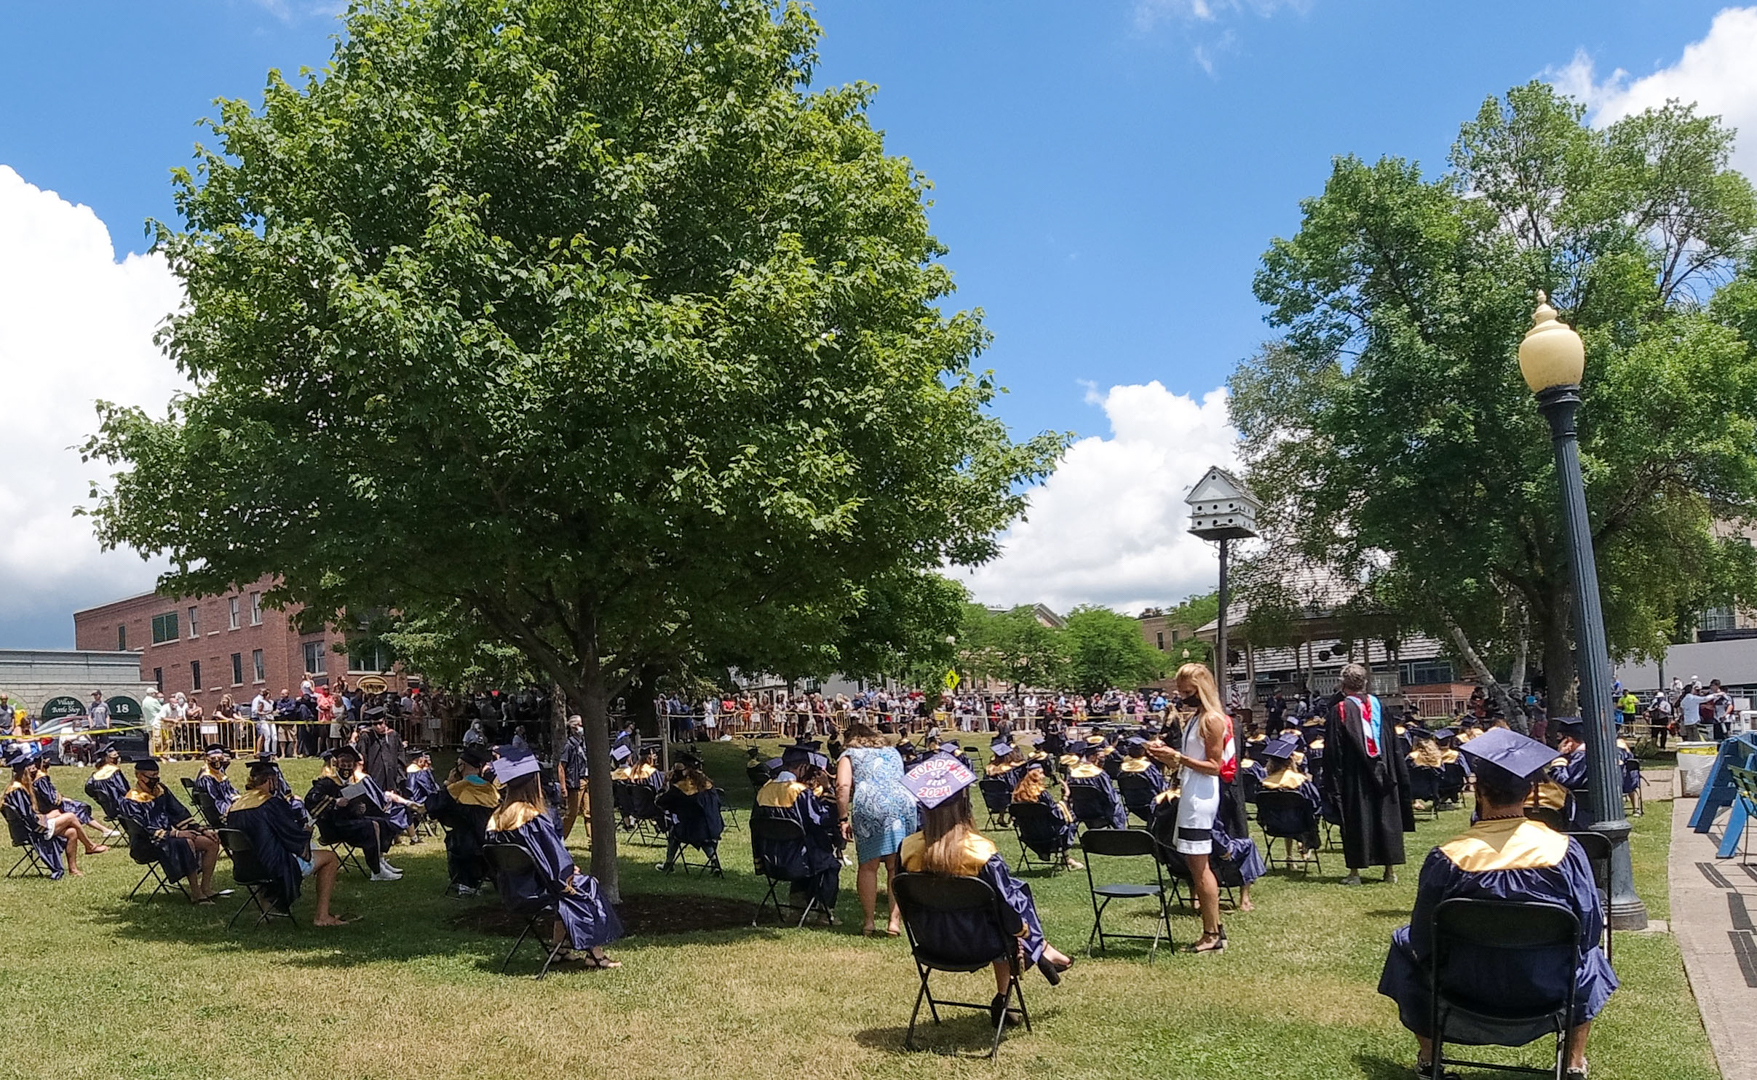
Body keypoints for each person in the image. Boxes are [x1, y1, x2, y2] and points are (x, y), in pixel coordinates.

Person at [1377, 726, 1616, 1080]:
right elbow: (1588, 928)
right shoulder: (1566, 851)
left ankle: (1430, 1060)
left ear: (1479, 790)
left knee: (1403, 943)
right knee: (1592, 955)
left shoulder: (1449, 857)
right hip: (1548, 985)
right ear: (1530, 790)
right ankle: (1573, 1063)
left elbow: (1424, 939)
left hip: (1464, 986)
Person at [898, 755, 1074, 1026]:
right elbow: (1010, 914)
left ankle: (1041, 954)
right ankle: (1022, 973)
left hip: (931, 943)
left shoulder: (909, 848)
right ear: (964, 804)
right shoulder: (980, 853)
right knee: (1011, 913)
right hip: (983, 945)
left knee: (1006, 907)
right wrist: (1025, 933)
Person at [485, 751, 622, 968]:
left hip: (513, 890)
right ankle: (595, 955)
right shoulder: (532, 818)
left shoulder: (496, 818)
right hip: (538, 891)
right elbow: (554, 861)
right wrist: (569, 871)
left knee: (570, 888)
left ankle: (561, 949)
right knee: (585, 886)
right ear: (534, 783)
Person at [1146, 662, 1240, 952]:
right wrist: (1166, 756)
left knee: (1200, 870)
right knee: (1195, 867)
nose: (1183, 696)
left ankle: (1211, 933)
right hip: (1190, 794)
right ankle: (1213, 929)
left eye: (1188, 691)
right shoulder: (1197, 717)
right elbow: (1187, 761)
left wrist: (1178, 756)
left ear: (1201, 690)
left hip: (1201, 799)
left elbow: (1214, 766)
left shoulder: (1212, 719)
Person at [226, 758, 355, 925]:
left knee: (259, 848)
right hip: (273, 868)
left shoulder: (235, 807)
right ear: (270, 780)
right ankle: (322, 916)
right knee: (330, 858)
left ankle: (267, 912)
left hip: (244, 868)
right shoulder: (270, 804)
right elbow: (291, 835)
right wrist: (306, 833)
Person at [1322, 663, 1414, 886]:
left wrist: (1333, 779)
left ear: (1343, 685)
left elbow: (1335, 750)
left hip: (1355, 777)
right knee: (1385, 817)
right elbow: (1392, 743)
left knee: (1356, 820)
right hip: (1384, 770)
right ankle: (1389, 871)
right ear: (1365, 683)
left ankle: (1355, 872)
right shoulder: (1380, 706)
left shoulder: (1340, 710)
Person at [834, 722, 917, 937]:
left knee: (869, 867)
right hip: (903, 805)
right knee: (895, 866)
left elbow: (842, 787)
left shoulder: (849, 754)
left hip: (872, 805)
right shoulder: (893, 752)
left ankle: (869, 922)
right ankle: (894, 922)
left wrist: (843, 818)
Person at [119, 758, 225, 903]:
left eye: (157, 775)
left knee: (211, 842)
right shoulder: (131, 800)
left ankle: (205, 887)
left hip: (169, 837)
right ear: (139, 775)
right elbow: (144, 829)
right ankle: (195, 892)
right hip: (147, 844)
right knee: (186, 842)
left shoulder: (161, 790)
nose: (155, 780)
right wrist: (176, 834)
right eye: (151, 777)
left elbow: (178, 812)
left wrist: (201, 829)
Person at [753, 763, 841, 920]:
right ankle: (823, 914)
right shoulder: (799, 793)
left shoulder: (763, 792)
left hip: (771, 862)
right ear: (801, 767)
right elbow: (823, 819)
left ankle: (796, 908)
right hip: (799, 863)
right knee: (829, 863)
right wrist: (827, 789)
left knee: (804, 851)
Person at [306, 747, 402, 881]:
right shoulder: (326, 782)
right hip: (333, 826)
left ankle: (380, 860)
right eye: (343, 765)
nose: (346, 769)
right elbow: (311, 800)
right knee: (371, 826)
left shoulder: (351, 783)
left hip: (347, 822)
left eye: (349, 766)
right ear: (336, 765)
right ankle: (376, 871)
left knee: (383, 822)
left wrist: (359, 808)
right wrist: (335, 802)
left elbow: (352, 809)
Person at [426, 744, 498, 895]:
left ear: (461, 766)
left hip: (465, 845)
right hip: (491, 843)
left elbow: (432, 807)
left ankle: (465, 882)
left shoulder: (457, 789)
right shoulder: (491, 790)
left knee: (458, 835)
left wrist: (447, 783)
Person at [5, 749, 76, 876]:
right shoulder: (17, 790)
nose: (33, 772)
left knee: (72, 832)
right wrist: (47, 817)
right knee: (70, 816)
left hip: (28, 829)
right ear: (24, 771)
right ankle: (90, 846)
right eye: (29, 770)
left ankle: (73, 869)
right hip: (30, 832)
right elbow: (28, 818)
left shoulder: (16, 787)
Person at [656, 753, 724, 874]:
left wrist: (665, 783)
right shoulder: (708, 785)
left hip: (693, 831)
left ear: (686, 770)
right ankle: (714, 861)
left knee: (675, 831)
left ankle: (668, 863)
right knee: (701, 831)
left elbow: (659, 802)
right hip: (715, 827)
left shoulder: (682, 788)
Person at [1010, 760, 1082, 869]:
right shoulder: (1041, 794)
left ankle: (1043, 851)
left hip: (1029, 835)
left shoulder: (1017, 795)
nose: (1044, 776)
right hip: (1050, 835)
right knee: (1071, 821)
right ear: (1035, 775)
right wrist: (1065, 797)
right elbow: (1057, 815)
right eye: (1041, 773)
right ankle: (1066, 859)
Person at [556, 715, 590, 840]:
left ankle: (592, 842)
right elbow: (561, 766)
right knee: (572, 814)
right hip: (576, 782)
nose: (582, 727)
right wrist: (563, 786)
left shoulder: (583, 743)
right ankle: (560, 838)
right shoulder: (569, 745)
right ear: (574, 727)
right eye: (580, 724)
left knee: (589, 812)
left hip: (587, 779)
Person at [192, 744, 240, 818]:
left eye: (220, 758)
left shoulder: (219, 774)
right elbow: (215, 798)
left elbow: (230, 790)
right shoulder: (206, 777)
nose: (217, 761)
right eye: (213, 758)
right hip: (220, 812)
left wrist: (237, 798)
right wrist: (229, 809)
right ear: (207, 760)